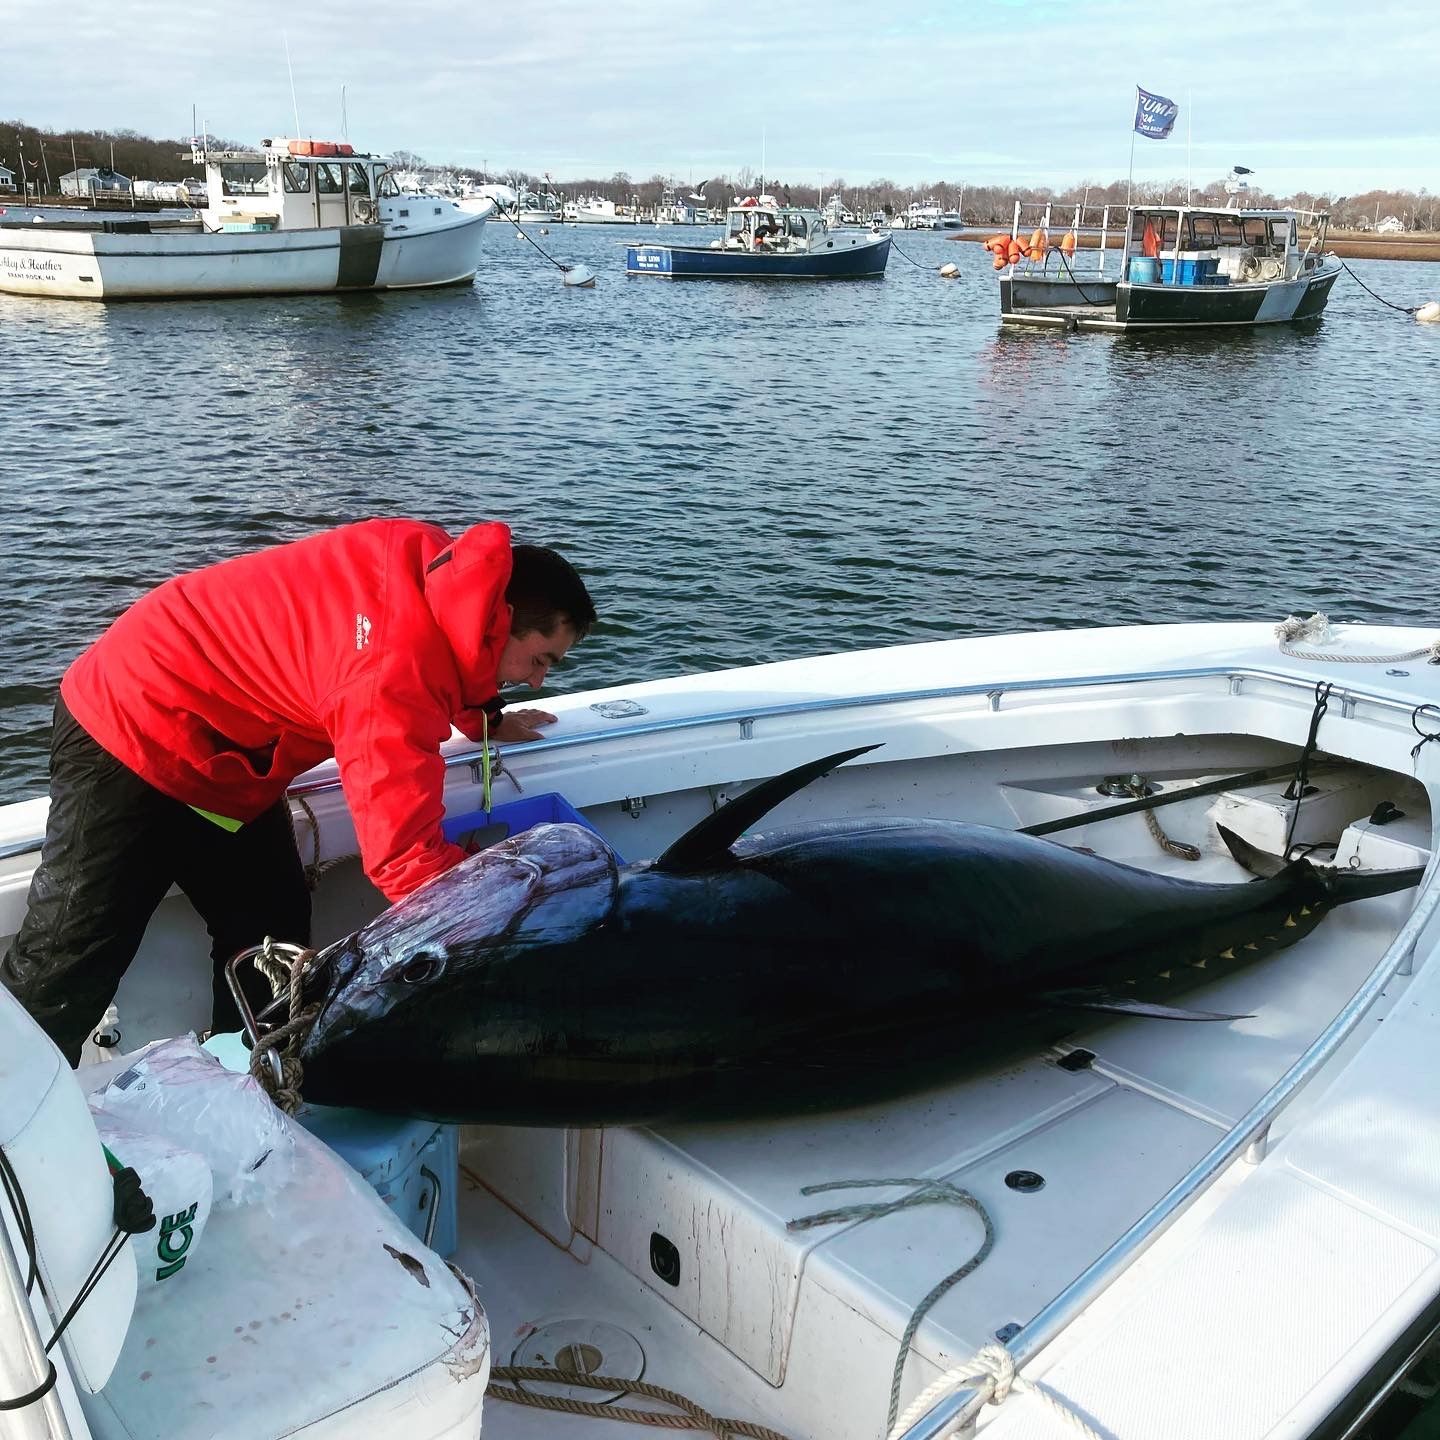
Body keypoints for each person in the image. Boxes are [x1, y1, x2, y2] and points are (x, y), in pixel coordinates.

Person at [1, 517, 596, 1063]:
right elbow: (404, 859)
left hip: (224, 756)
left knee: (268, 934)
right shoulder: (389, 672)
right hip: (130, 723)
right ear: (501, 621)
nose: (538, 681)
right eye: (540, 660)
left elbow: (452, 656)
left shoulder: (437, 565)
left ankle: (243, 1084)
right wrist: (513, 927)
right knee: (69, 960)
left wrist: (485, 717)